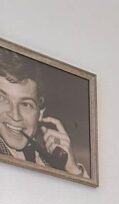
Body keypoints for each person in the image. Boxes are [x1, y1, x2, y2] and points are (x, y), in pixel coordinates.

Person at [0, 48, 89, 178]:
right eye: (2, 99)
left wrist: (73, 170)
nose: (15, 115)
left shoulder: (49, 161)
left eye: (26, 104)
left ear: (40, 113)